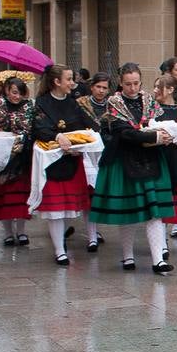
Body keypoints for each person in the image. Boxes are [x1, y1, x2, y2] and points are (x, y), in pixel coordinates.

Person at [88, 63, 176, 275]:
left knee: (154, 212)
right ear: (120, 83)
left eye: (136, 83)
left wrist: (167, 133)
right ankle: (127, 256)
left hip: (150, 158)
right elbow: (125, 132)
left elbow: (160, 121)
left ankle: (158, 261)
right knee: (128, 211)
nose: (133, 88)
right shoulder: (113, 102)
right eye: (128, 84)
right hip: (124, 159)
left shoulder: (148, 99)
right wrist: (154, 136)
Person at [29, 64, 99, 266]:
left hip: (73, 159)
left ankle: (63, 245)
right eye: (68, 79)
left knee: (69, 207)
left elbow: (86, 127)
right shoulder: (41, 103)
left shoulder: (73, 103)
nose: (72, 83)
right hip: (52, 162)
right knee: (56, 210)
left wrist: (84, 141)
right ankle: (60, 250)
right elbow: (39, 129)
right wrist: (57, 136)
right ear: (56, 82)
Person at [0, 77, 33, 247]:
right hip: (1, 157)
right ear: (6, 90)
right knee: (3, 196)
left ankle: (22, 231)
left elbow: (33, 126)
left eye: (19, 93)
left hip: (22, 157)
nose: (16, 96)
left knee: (21, 197)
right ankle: (8, 233)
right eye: (13, 92)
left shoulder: (29, 106)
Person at [75, 71, 112, 252]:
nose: (101, 91)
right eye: (98, 87)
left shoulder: (113, 105)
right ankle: (91, 234)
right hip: (87, 153)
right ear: (91, 87)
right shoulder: (81, 104)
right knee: (89, 193)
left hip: (106, 152)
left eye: (104, 88)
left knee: (100, 194)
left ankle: (95, 229)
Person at [152, 72, 177, 240]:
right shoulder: (152, 110)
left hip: (174, 160)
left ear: (169, 90)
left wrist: (174, 138)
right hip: (156, 157)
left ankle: (173, 227)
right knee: (159, 195)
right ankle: (160, 239)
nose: (154, 91)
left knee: (173, 193)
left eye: (158, 87)